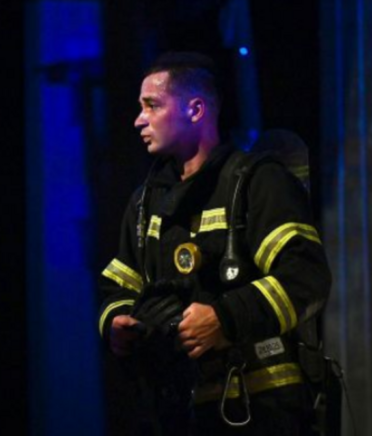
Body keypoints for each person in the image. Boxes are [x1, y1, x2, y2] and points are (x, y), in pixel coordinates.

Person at [98, 52, 331, 435]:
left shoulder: (257, 182)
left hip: (261, 408)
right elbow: (118, 289)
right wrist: (118, 324)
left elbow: (306, 277)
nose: (139, 119)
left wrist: (225, 319)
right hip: (177, 413)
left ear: (195, 110)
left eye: (152, 105)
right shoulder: (145, 204)